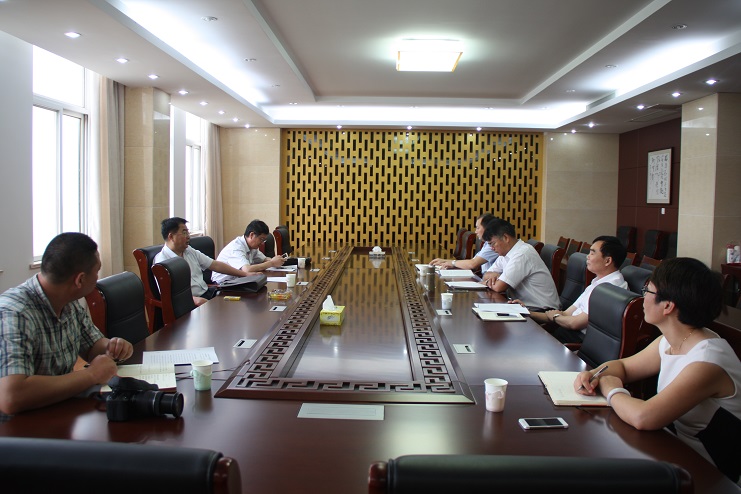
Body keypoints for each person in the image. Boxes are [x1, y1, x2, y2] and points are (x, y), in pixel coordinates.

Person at [574, 258, 741, 483]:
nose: (642, 297)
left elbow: (644, 417)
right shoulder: (672, 339)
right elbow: (624, 367)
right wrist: (596, 374)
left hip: (715, 474)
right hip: (678, 452)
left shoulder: (707, 361)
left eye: (647, 291)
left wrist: (611, 388)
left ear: (668, 306)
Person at [0, 232, 134, 417]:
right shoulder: (14, 313)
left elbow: (93, 346)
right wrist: (91, 375)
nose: (97, 278)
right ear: (80, 280)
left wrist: (113, 347)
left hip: (59, 411)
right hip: (18, 426)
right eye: (97, 271)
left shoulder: (68, 302)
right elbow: (11, 397)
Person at [535, 235, 628, 344]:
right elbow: (566, 314)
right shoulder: (598, 281)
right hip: (565, 332)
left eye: (592, 253)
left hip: (577, 341)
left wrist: (555, 317)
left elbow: (575, 323)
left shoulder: (612, 288)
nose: (587, 257)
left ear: (607, 261)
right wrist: (526, 312)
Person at [154, 217, 247, 307]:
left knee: (241, 301)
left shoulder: (189, 250)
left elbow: (215, 265)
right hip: (189, 303)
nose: (188, 236)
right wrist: (194, 299)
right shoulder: (162, 261)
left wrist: (245, 274)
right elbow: (167, 294)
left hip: (208, 293)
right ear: (171, 237)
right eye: (184, 233)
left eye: (188, 232)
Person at [481, 218, 560, 310]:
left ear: (506, 238)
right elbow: (486, 275)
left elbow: (498, 287)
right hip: (523, 306)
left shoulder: (522, 254)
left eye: (492, 244)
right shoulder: (505, 253)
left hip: (542, 310)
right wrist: (493, 278)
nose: (492, 248)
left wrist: (488, 282)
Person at [211, 219, 286, 283]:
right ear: (251, 235)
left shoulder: (252, 247)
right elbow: (247, 270)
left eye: (264, 240)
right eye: (261, 239)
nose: (262, 243)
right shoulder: (236, 248)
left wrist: (277, 260)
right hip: (222, 284)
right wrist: (272, 263)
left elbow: (264, 259)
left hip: (238, 280)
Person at [430, 213, 499, 272]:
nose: (475, 231)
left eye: (478, 228)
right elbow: (471, 261)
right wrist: (446, 261)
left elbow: (472, 264)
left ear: (487, 229)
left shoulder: (494, 245)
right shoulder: (487, 243)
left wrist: (452, 263)